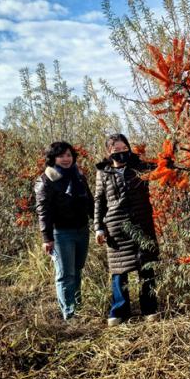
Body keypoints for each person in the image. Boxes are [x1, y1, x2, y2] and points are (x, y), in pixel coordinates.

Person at [94, 133, 159, 326]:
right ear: (109, 152)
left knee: (146, 267)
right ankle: (119, 310)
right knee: (118, 271)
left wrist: (170, 155)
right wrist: (98, 228)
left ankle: (150, 308)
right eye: (116, 150)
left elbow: (161, 169)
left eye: (125, 148)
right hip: (116, 228)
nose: (121, 152)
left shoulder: (139, 167)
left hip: (141, 224)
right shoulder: (103, 172)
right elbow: (99, 201)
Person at [34, 141, 94, 321]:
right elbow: (43, 210)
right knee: (65, 274)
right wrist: (47, 237)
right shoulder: (46, 180)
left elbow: (89, 201)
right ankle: (70, 314)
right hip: (61, 233)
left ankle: (77, 307)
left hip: (82, 230)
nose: (66, 159)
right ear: (53, 158)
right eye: (61, 156)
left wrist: (99, 223)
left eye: (69, 155)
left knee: (77, 270)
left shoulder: (78, 175)